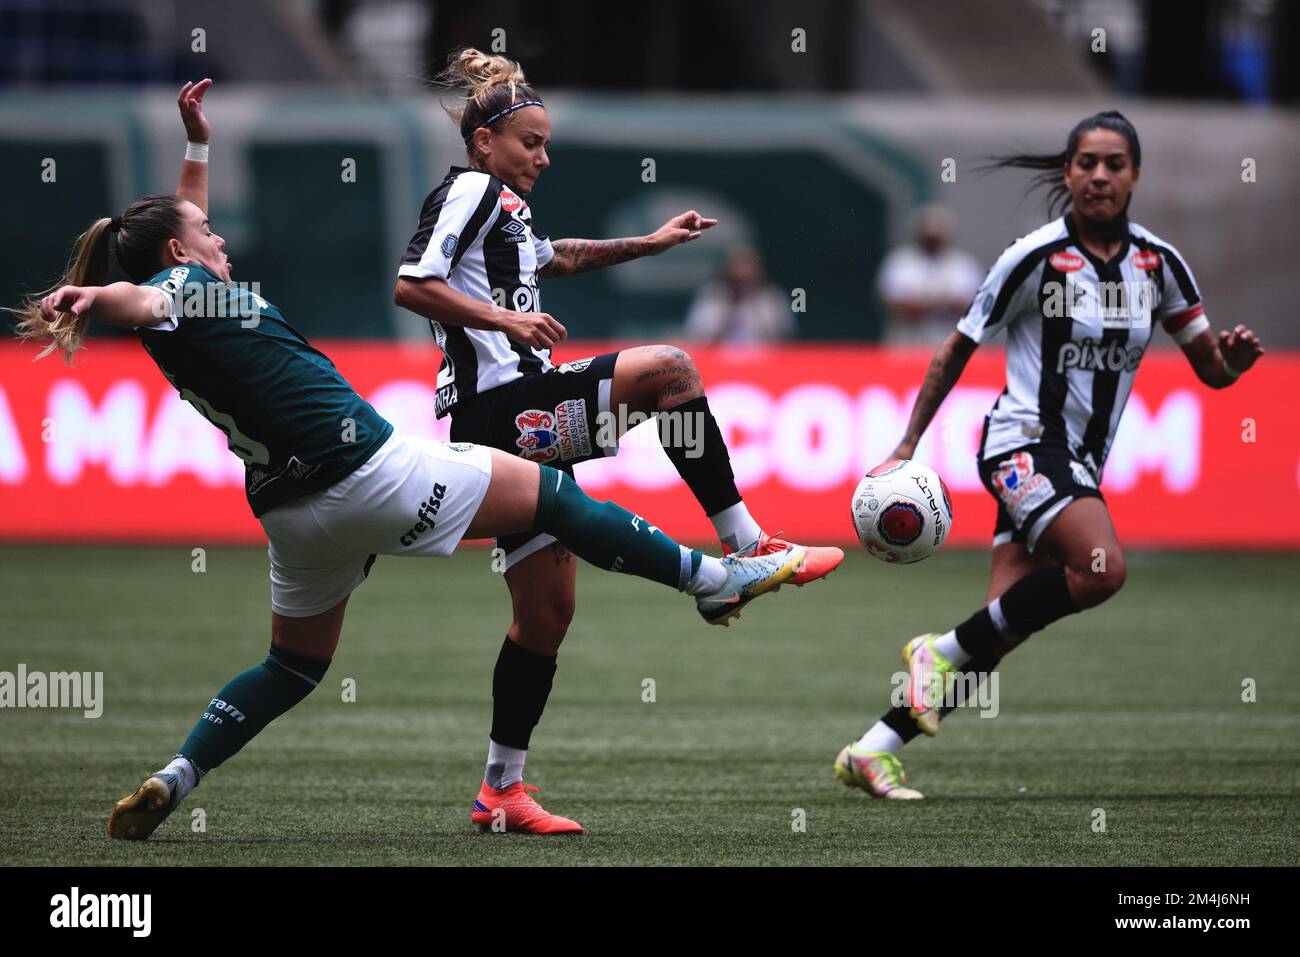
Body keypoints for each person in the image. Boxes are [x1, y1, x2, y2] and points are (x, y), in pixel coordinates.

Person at [7, 80, 808, 841]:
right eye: (206, 231)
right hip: (365, 471)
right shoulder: (178, 293)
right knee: (555, 498)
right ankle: (713, 578)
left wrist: (198, 148)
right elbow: (144, 291)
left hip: (292, 515)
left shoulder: (195, 301)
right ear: (180, 251)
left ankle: (178, 775)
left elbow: (173, 256)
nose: (220, 236)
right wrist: (93, 297)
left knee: (291, 667)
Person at [393, 48, 844, 833]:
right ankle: (746, 545)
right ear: (483, 142)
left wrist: (649, 244)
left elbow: (552, 258)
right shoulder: (469, 191)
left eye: (546, 142)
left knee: (546, 614)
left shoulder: (504, 211)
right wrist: (505, 321)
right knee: (668, 372)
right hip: (500, 412)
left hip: (506, 419)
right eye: (529, 141)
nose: (543, 155)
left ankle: (500, 790)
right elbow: (409, 283)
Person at [834, 111, 1265, 799]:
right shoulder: (1034, 256)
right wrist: (908, 442)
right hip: (1022, 443)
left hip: (1081, 463)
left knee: (998, 631)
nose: (1099, 175)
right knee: (1102, 566)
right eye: (1087, 162)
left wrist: (1231, 364)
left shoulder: (1159, 265)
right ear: (1066, 173)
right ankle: (933, 651)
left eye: (1114, 163)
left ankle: (873, 748)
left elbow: (1210, 369)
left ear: (1135, 176)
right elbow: (958, 346)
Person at [877, 205, 982, 345]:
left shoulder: (963, 265)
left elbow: (972, 308)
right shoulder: (900, 261)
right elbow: (896, 305)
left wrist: (926, 303)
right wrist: (942, 303)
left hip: (950, 344)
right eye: (928, 237)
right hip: (907, 343)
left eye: (937, 237)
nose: (933, 242)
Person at [683, 244, 794, 343]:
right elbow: (698, 337)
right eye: (739, 265)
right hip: (718, 360)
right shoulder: (712, 295)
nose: (743, 273)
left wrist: (754, 304)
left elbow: (782, 337)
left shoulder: (771, 296)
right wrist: (730, 308)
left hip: (763, 360)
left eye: (748, 266)